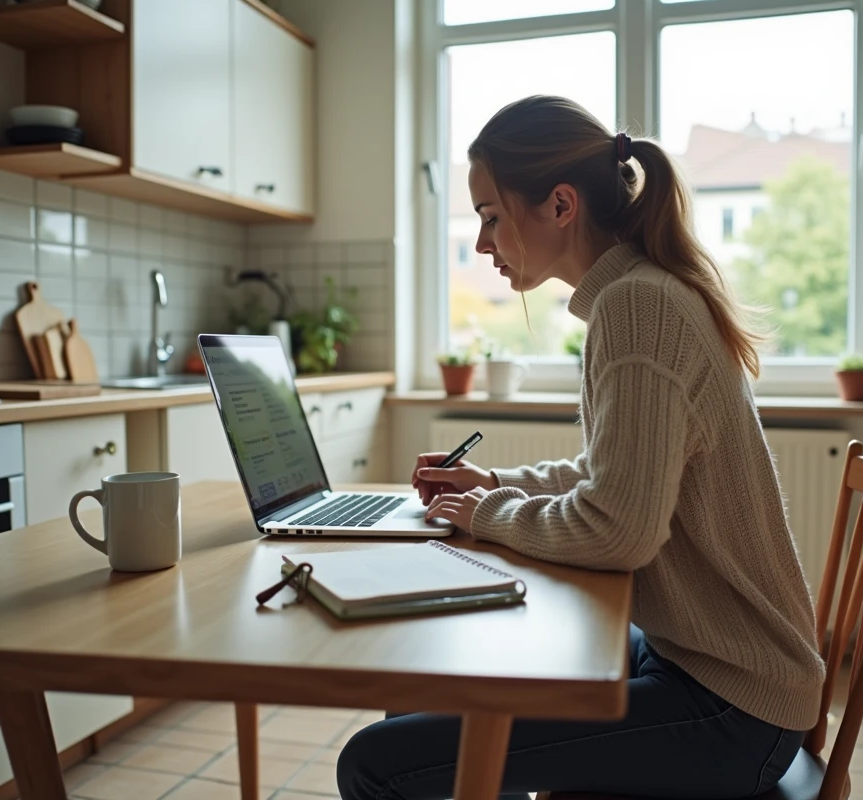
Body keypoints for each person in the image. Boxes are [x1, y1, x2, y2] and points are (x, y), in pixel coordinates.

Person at [335, 95, 825, 800]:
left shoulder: (639, 306)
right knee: (422, 697)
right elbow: (613, 479)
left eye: (490, 217)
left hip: (732, 705)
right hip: (697, 662)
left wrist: (487, 513)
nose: (482, 244)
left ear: (561, 205)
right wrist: (495, 483)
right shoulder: (636, 296)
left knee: (375, 762)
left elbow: (618, 529)